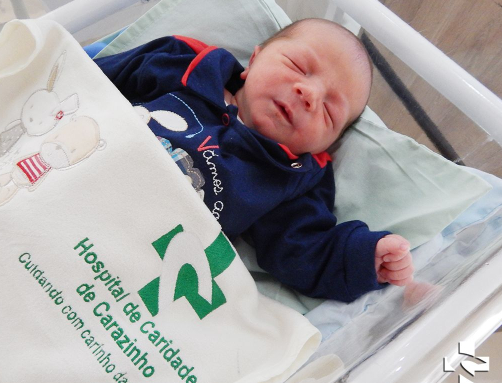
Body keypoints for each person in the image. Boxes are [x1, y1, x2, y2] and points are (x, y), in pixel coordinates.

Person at [94, 18, 414, 303]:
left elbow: (302, 250)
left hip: (129, 258)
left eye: (329, 112)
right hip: (92, 170)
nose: (309, 94)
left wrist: (363, 258)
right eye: (297, 66)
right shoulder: (187, 66)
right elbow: (92, 80)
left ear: (327, 143)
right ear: (255, 60)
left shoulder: (291, 178)